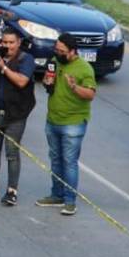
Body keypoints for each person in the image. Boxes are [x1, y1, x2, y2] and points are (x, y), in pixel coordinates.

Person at [36, 33, 96, 216]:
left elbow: (90, 94)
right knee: (55, 159)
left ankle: (70, 201)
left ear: (72, 51)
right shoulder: (55, 62)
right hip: (53, 119)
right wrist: (47, 82)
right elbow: (48, 81)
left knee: (69, 162)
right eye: (56, 50)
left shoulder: (84, 68)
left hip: (73, 123)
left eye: (62, 51)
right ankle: (57, 195)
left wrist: (74, 87)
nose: (58, 53)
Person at [0, 27, 36, 206]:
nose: (8, 46)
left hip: (16, 114)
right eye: (5, 42)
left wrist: (3, 67)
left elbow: (22, 81)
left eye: (11, 42)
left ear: (18, 43)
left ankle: (12, 191)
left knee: (12, 153)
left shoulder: (26, 59)